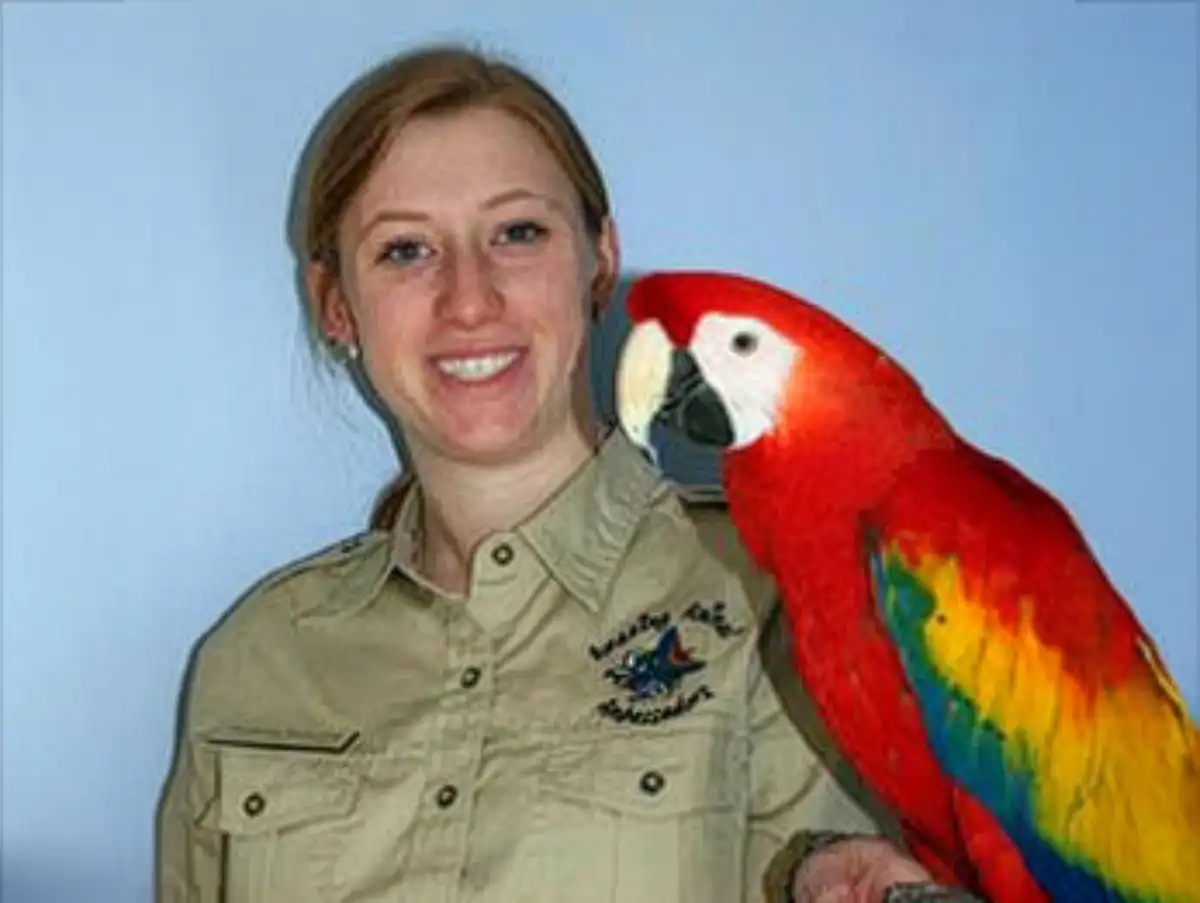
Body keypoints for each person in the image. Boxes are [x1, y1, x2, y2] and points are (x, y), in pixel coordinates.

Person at [154, 43, 979, 903]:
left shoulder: (778, 597)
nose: (469, 299)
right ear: (336, 306)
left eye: (518, 233)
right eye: (405, 250)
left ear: (598, 259)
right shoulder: (255, 657)